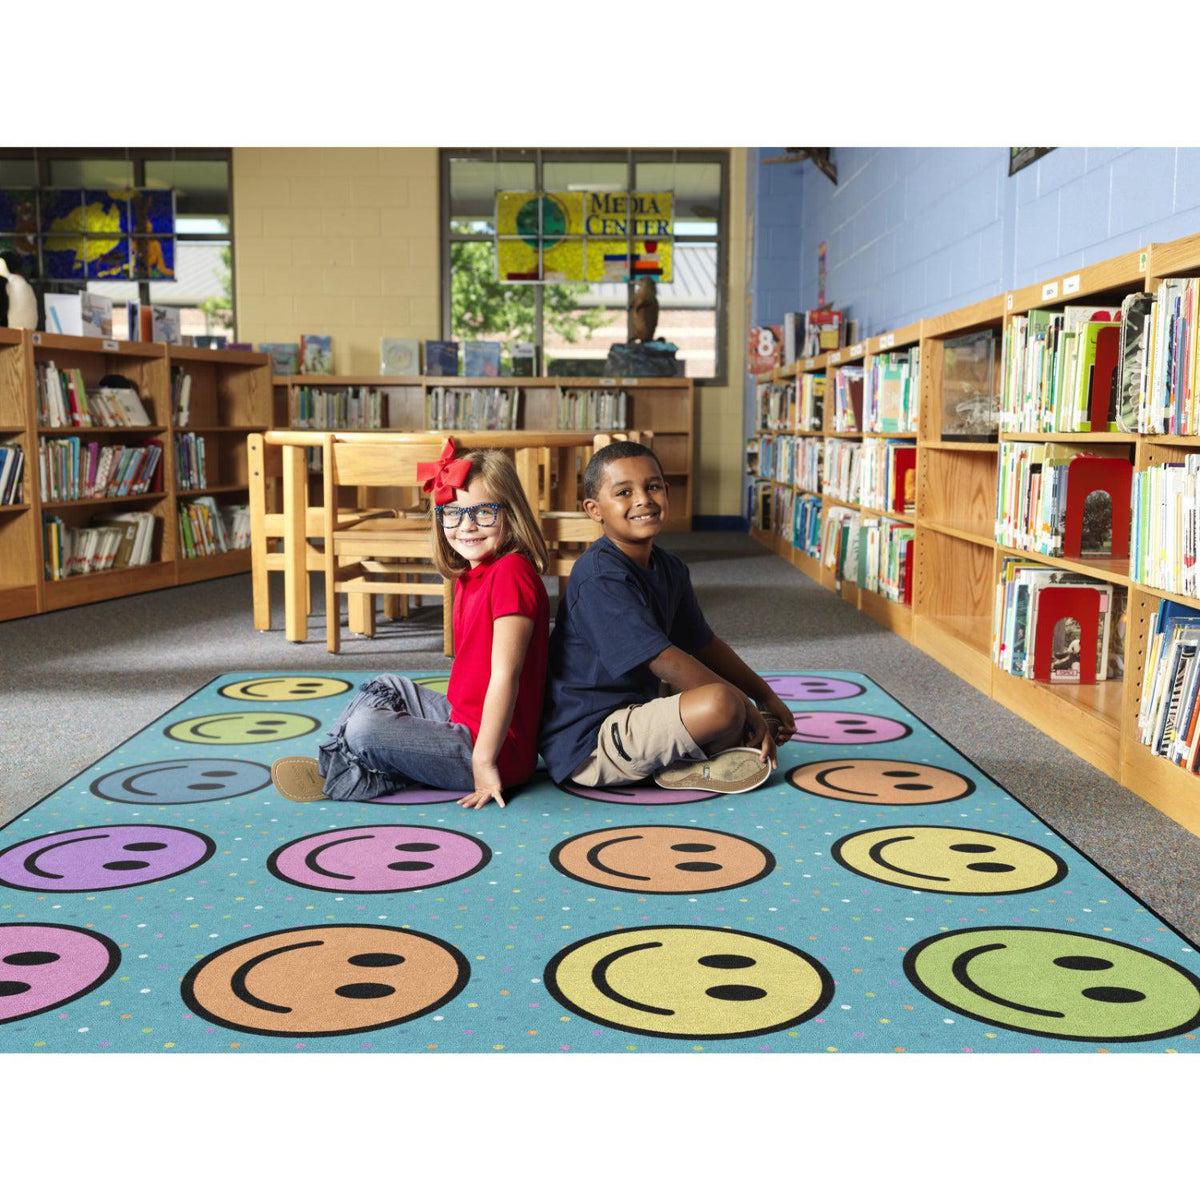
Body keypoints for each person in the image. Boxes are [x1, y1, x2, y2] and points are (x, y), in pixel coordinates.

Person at [270, 439, 550, 810]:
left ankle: (357, 770)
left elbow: (505, 677)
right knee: (385, 686)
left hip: (495, 751)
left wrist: (483, 762)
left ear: (509, 513)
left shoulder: (512, 572)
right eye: (451, 513)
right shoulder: (472, 574)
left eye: (483, 513)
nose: (466, 527)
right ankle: (353, 760)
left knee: (365, 728)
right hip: (463, 718)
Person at [538, 440, 796, 795]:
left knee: (723, 700)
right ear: (594, 510)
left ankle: (706, 747)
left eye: (653, 486)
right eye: (624, 492)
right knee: (721, 703)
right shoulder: (598, 576)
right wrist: (745, 707)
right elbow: (661, 659)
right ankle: (691, 760)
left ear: (667, 492)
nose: (643, 499)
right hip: (590, 742)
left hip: (640, 705)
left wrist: (764, 695)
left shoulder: (669, 566)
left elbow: (704, 644)